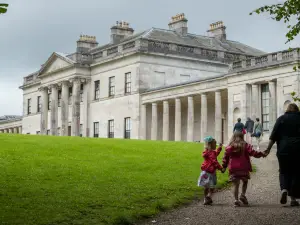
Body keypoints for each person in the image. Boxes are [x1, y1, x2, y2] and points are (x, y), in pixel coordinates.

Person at [264, 103, 300, 207]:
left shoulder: (281, 119)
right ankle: (293, 199)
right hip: (298, 149)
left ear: (287, 110)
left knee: (284, 171)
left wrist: (268, 149)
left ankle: (284, 189)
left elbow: (273, 136)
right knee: (296, 172)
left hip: (283, 150)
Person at [222, 132, 266, 207]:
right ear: (242, 137)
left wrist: (224, 166)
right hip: (243, 167)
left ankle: (236, 200)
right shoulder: (245, 145)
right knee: (245, 181)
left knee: (236, 185)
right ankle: (242, 195)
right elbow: (253, 152)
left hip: (233, 168)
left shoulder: (230, 147)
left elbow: (225, 158)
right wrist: (261, 154)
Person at [197, 136, 223, 205]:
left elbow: (216, 153)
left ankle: (205, 199)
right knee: (211, 187)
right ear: (211, 145)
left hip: (205, 171)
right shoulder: (211, 153)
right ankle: (208, 196)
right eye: (215, 144)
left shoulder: (208, 152)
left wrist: (219, 148)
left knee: (206, 187)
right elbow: (214, 162)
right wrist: (221, 168)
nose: (216, 145)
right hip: (210, 172)